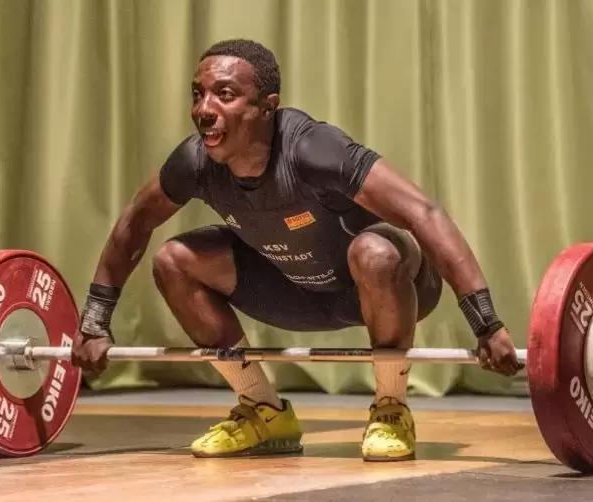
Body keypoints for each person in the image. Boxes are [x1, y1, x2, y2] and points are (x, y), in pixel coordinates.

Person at [71, 38, 525, 461]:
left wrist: (485, 322)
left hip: (385, 286)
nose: (204, 110)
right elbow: (135, 223)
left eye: (224, 95)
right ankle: (264, 412)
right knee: (175, 260)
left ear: (267, 107)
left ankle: (391, 408)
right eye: (198, 94)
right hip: (292, 288)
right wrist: (94, 322)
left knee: (375, 251)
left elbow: (423, 213)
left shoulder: (313, 149)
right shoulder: (195, 162)